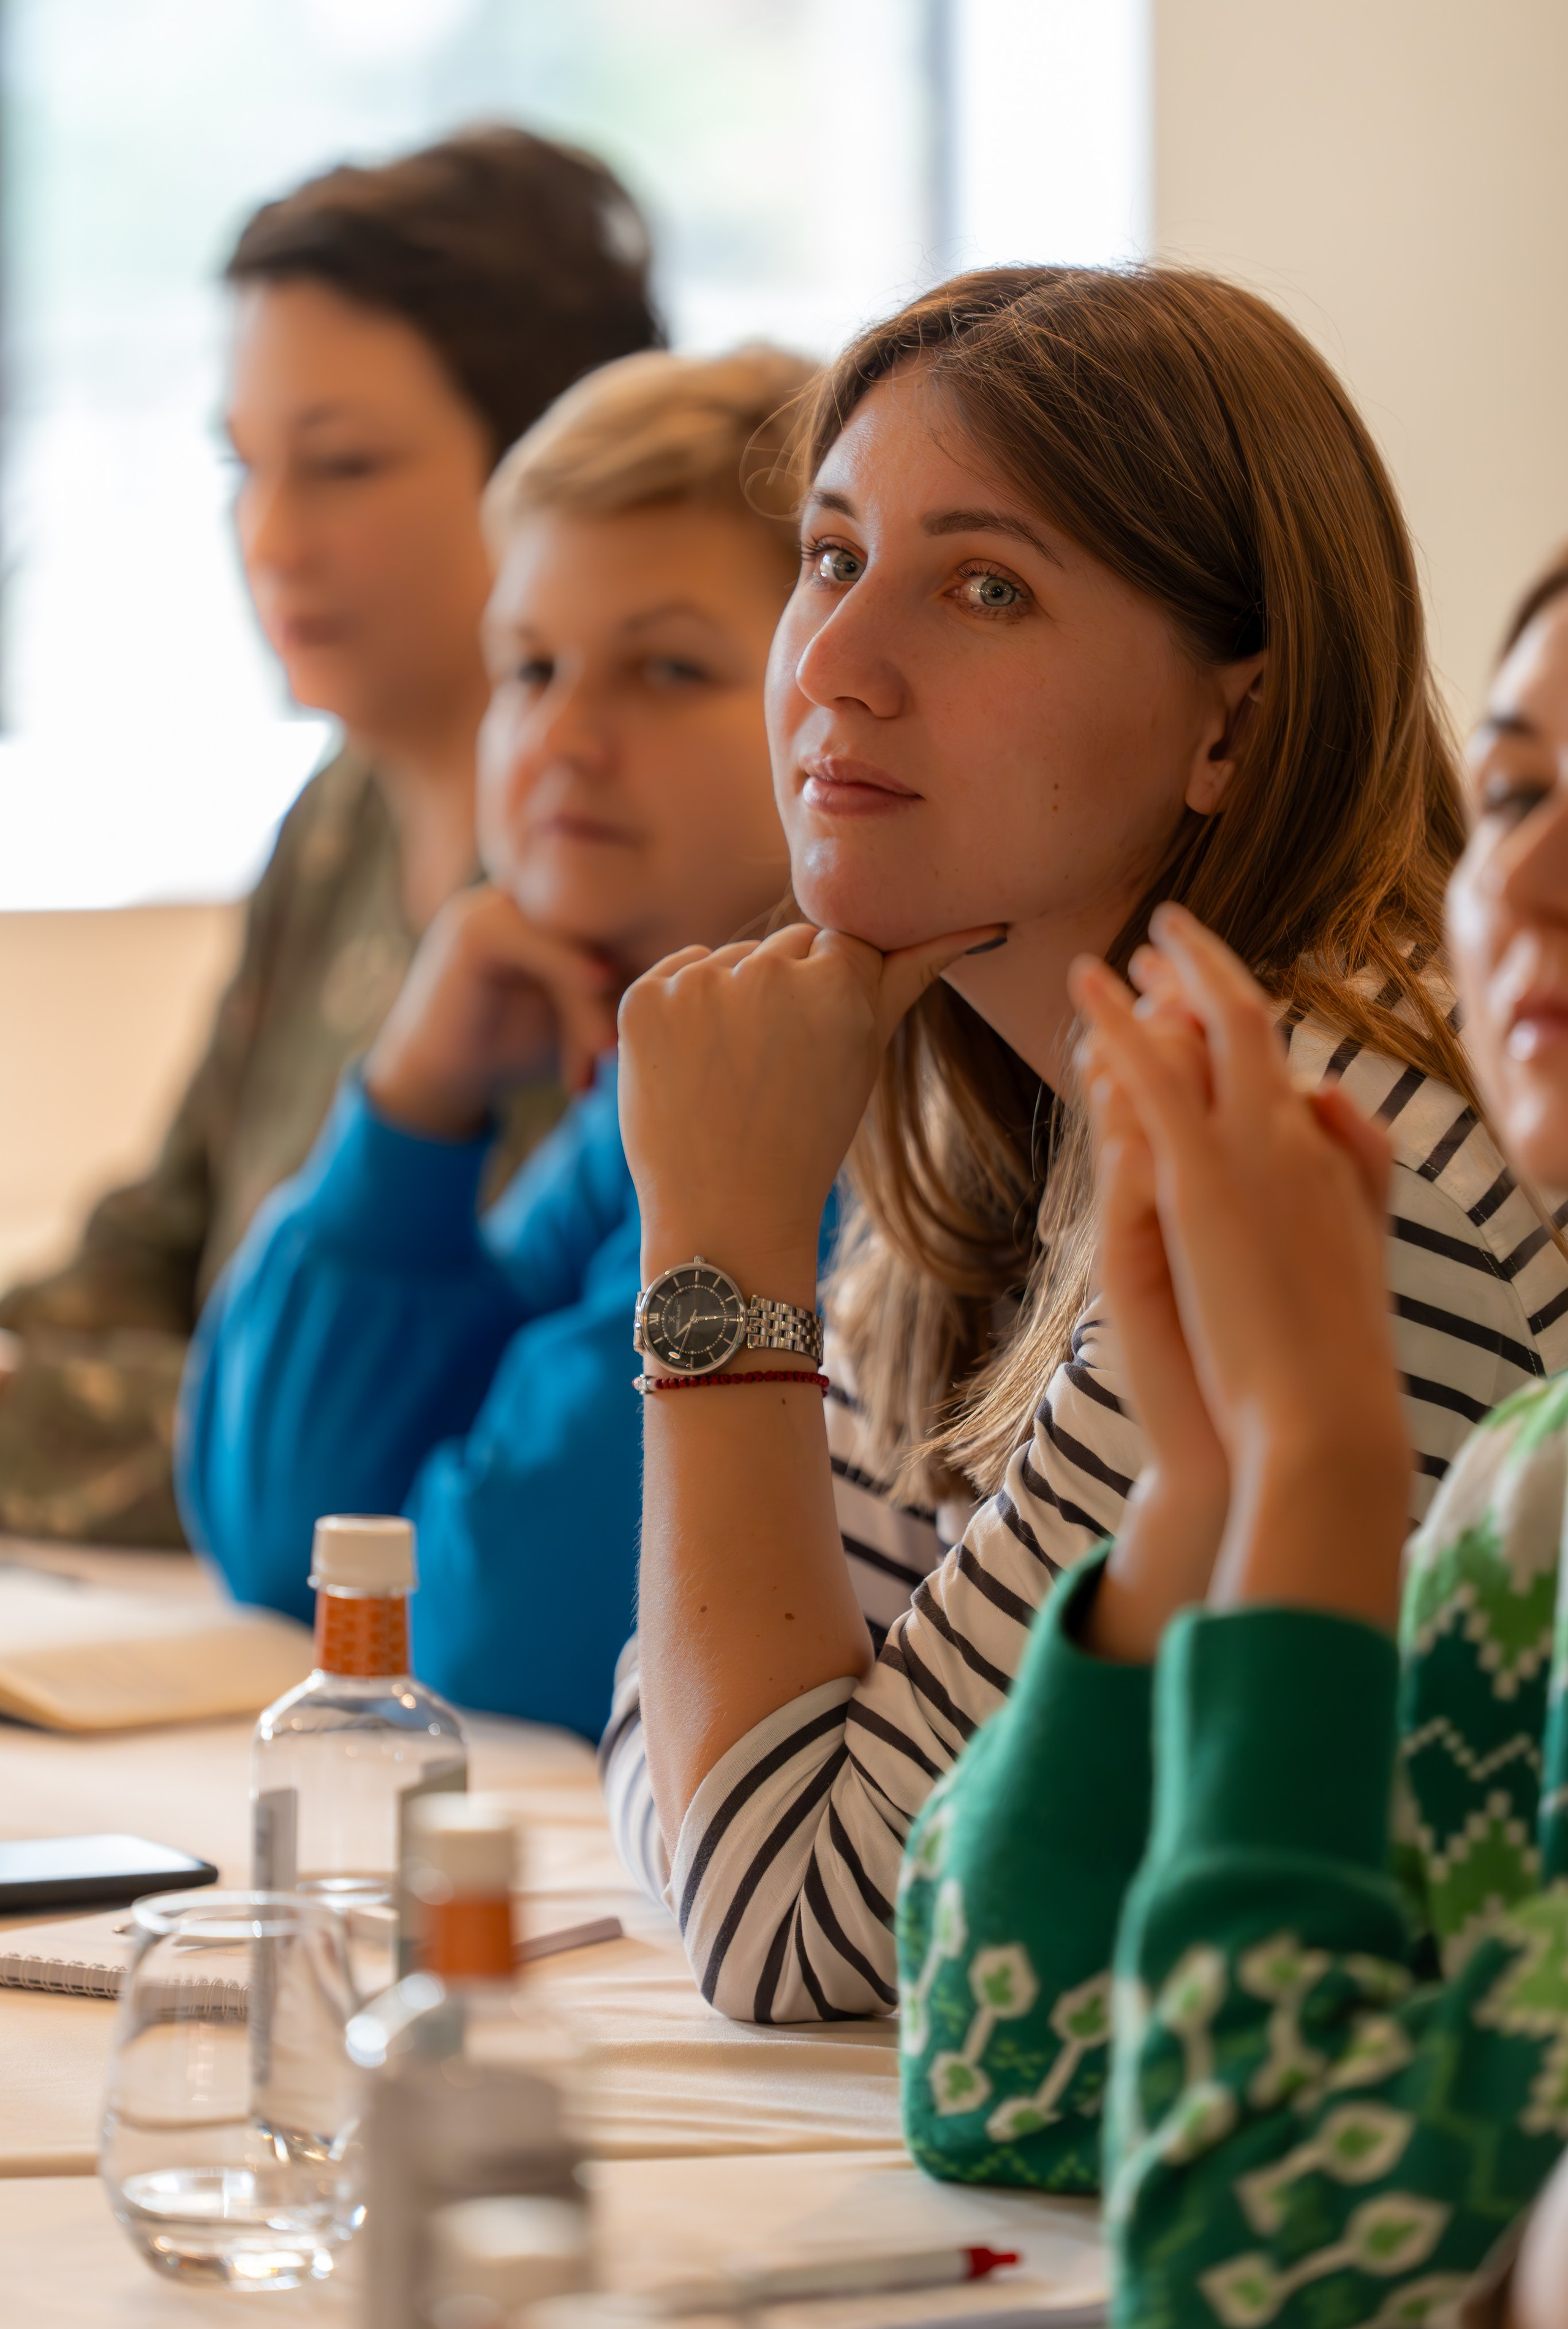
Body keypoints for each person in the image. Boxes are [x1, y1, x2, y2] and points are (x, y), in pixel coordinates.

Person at [606, 266, 1568, 2021]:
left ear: (1230, 725)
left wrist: (721, 1258)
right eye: (831, 558)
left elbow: (800, 1931)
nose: (833, 662)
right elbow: (690, 1752)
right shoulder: (1003, 1079)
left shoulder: (1326, 1148)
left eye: (986, 588)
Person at [894, 543, 1568, 2322]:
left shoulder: (1397, 1193)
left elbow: (1250, 2268)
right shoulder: (1535, 1490)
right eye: (1511, 792)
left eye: (984, 589)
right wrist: (1201, 1494)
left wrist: (1326, 1489)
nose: (1536, 877)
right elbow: (1009, 2077)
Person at [0, 125, 659, 1547]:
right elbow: (151, 1258)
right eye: (242, 468)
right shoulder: (338, 820)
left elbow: (438, 1427)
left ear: (557, 471)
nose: (270, 540)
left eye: (342, 466)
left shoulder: (640, 869)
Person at [179, 344, 817, 1743]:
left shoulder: (842, 1112)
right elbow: (293, 1538)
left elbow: (494, 1623)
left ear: (831, 702)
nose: (564, 740)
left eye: (664, 669)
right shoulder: (643, 1075)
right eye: (528, 667)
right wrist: (413, 1109)